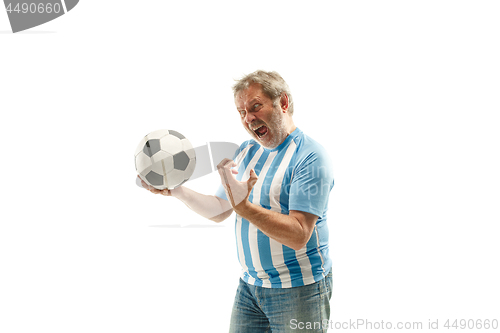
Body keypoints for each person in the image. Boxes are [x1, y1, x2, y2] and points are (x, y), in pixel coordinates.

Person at [139, 70, 334, 332]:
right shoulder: (247, 151)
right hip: (250, 288)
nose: (248, 118)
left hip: (298, 290)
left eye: (255, 106)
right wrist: (177, 191)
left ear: (283, 103)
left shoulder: (311, 157)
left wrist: (245, 207)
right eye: (241, 112)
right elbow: (220, 209)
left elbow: (299, 234)